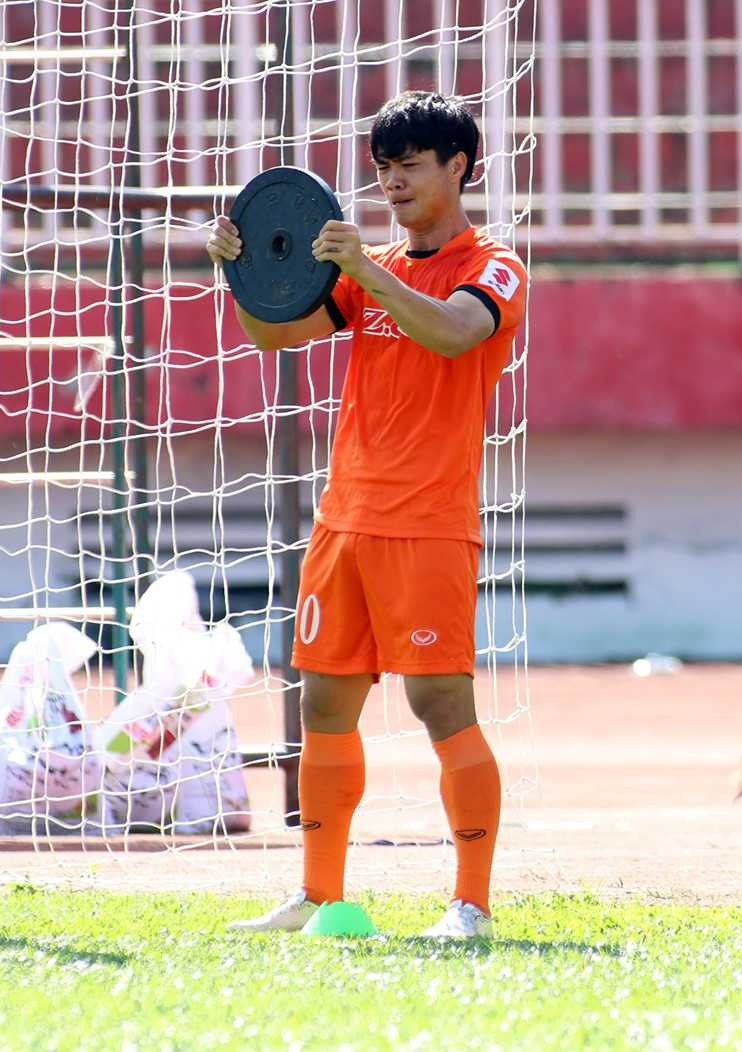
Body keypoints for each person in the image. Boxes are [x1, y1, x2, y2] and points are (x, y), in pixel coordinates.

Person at [207, 91, 527, 938]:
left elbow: (457, 332)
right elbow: (274, 334)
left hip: (428, 523)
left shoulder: (492, 264)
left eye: (410, 166)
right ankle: (319, 896)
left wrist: (369, 269)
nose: (391, 183)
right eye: (383, 169)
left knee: (439, 703)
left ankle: (471, 905)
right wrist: (241, 271)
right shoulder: (368, 268)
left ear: (458, 167)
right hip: (343, 519)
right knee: (321, 706)